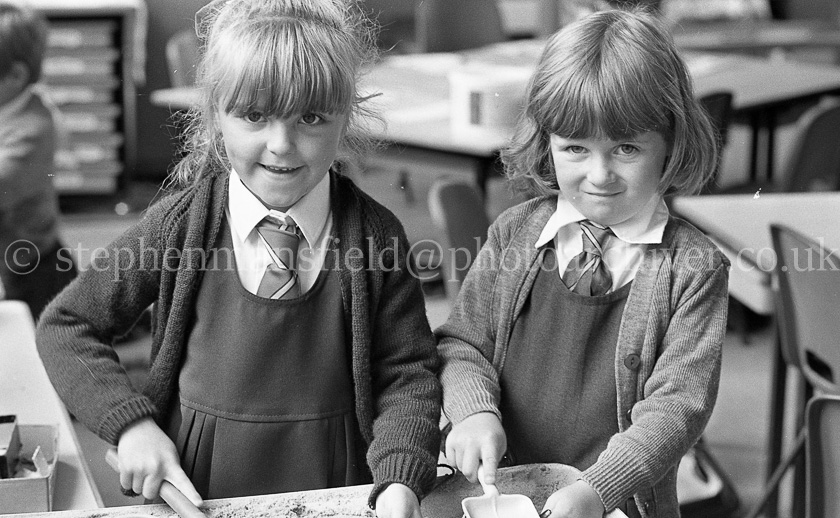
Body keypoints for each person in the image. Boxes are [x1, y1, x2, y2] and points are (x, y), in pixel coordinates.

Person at [36, 1, 441, 516]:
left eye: (311, 117)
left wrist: (401, 478)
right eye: (254, 116)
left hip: (339, 493)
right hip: (199, 495)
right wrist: (131, 425)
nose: (282, 145)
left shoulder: (377, 238)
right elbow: (68, 325)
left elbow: (407, 373)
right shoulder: (179, 227)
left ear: (346, 118)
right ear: (215, 117)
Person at [437, 8, 728, 518]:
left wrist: (599, 488)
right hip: (505, 497)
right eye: (575, 148)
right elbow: (462, 344)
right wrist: (473, 411)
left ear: (671, 143)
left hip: (618, 505)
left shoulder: (694, 269)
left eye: (626, 149)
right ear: (546, 143)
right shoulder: (514, 233)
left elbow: (676, 408)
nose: (599, 174)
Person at [0, 1, 76, 320]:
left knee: (46, 331)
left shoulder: (34, 129)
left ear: (15, 75)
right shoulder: (8, 105)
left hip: (30, 264)